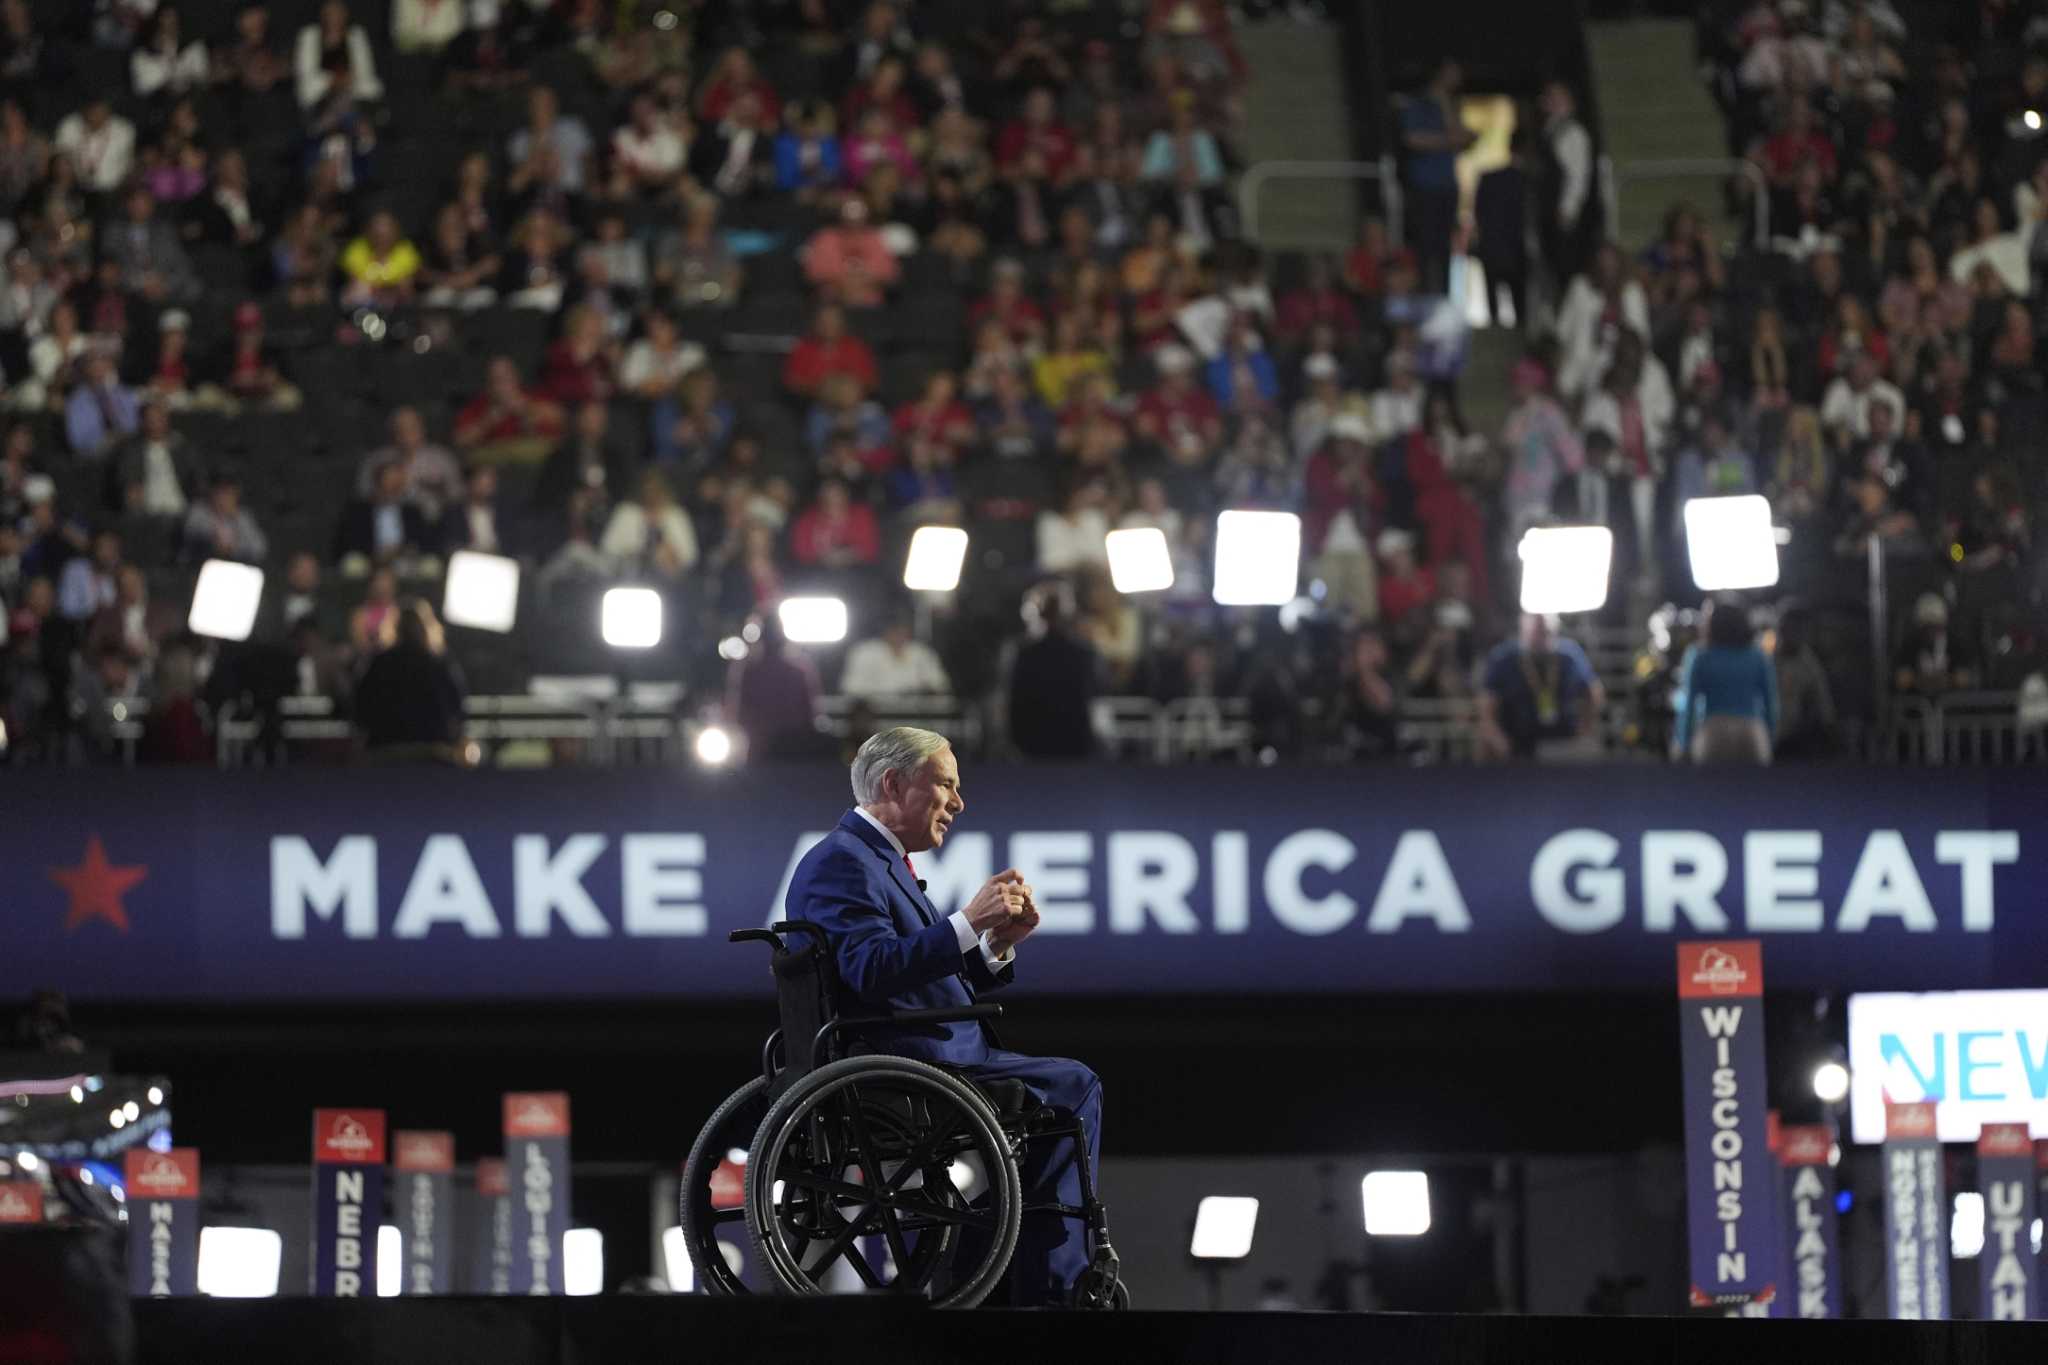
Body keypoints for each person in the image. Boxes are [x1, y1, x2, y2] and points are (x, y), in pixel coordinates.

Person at [784, 725, 1102, 1308]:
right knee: (1073, 1087)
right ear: (893, 783)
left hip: (931, 1052)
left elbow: (923, 977)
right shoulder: (843, 862)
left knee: (1056, 1096)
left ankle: (1000, 1271)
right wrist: (963, 923)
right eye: (946, 786)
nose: (958, 803)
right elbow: (871, 971)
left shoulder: (880, 861)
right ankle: (1051, 1285)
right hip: (903, 1063)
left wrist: (994, 945)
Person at [1477, 612, 1605, 761]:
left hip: (1562, 737)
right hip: (1517, 738)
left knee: (1591, 751)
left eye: (1545, 632)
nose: (1541, 637)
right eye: (1536, 632)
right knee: (1485, 745)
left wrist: (1586, 726)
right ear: (1523, 629)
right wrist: (1495, 734)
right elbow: (1486, 703)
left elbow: (1594, 690)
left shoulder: (1569, 655)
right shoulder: (1504, 657)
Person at [352, 598, 465, 760]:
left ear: (395, 627)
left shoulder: (378, 664)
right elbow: (458, 710)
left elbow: (359, 709)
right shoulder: (438, 665)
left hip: (385, 753)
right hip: (431, 753)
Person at [1670, 597, 1778, 764]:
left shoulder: (1700, 656)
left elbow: (1689, 702)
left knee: (1712, 789)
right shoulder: (1758, 656)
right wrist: (1770, 736)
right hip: (1752, 731)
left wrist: (1684, 742)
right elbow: (1771, 701)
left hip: (1713, 732)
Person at [1399, 58, 1474, 293]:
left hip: (1447, 187)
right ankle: (1424, 294)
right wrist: (1447, 142)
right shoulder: (1417, 104)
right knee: (1424, 247)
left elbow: (1463, 138)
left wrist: (1446, 113)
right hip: (1424, 186)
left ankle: (1445, 295)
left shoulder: (1452, 106)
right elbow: (1412, 139)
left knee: (1444, 248)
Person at [840, 612, 950, 701]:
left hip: (916, 720)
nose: (899, 633)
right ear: (885, 629)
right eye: (894, 628)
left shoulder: (922, 653)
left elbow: (940, 687)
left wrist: (922, 692)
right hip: (878, 719)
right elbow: (851, 689)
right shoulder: (864, 652)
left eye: (903, 628)